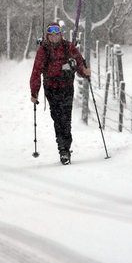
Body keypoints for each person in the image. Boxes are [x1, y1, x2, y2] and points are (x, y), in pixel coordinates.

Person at [30, 21, 92, 165]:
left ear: (60, 34)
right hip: (51, 89)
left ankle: (66, 147)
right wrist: (34, 92)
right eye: (51, 35)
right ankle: (62, 150)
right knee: (58, 119)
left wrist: (84, 72)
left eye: (56, 34)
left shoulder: (68, 46)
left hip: (66, 88)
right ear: (48, 36)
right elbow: (36, 71)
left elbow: (79, 62)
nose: (54, 37)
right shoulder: (43, 50)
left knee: (66, 119)